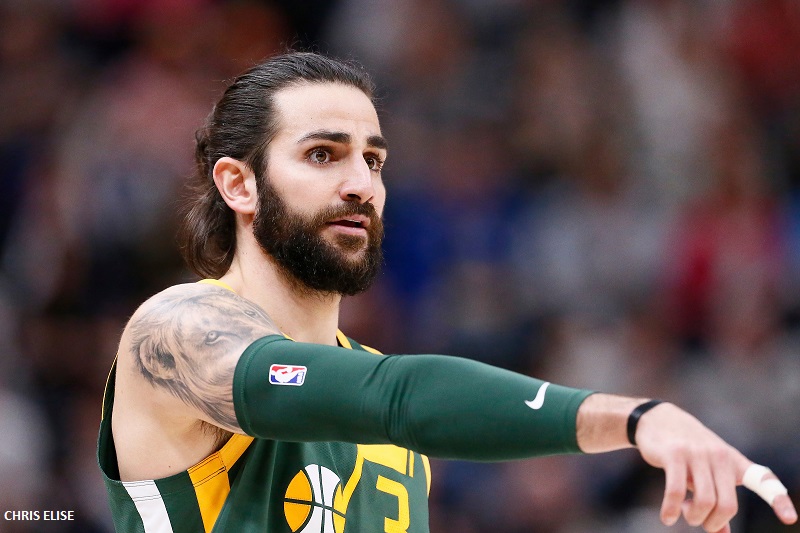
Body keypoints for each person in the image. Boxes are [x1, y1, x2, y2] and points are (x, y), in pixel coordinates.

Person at [97, 51, 797, 533]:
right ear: (239, 184)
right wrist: (635, 418)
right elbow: (394, 396)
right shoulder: (176, 333)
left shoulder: (400, 445)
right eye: (322, 154)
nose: (361, 184)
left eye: (374, 160)